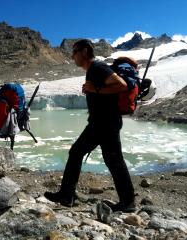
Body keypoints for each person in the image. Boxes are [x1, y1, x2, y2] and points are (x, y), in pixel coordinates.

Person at [44, 39, 136, 212]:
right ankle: (126, 200)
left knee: (85, 154)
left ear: (85, 52)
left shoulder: (98, 67)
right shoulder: (93, 70)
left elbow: (122, 86)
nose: (72, 56)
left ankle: (67, 195)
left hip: (105, 122)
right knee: (108, 158)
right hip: (101, 122)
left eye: (75, 52)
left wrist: (96, 90)